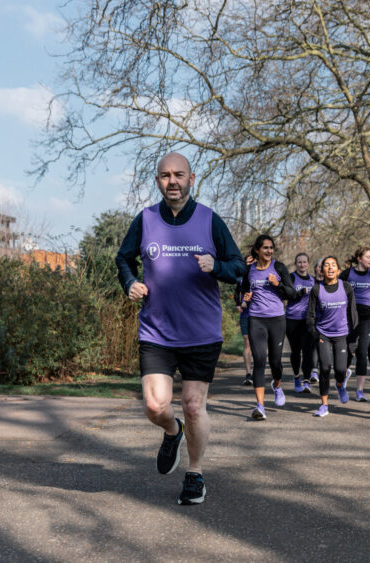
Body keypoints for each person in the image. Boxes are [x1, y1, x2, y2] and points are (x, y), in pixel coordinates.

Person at [115, 152, 244, 505]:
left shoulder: (209, 220)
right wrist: (130, 282)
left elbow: (237, 268)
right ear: (158, 181)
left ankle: (195, 473)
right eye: (165, 176)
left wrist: (215, 265)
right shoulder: (145, 220)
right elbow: (124, 258)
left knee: (191, 404)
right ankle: (172, 433)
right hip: (156, 330)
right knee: (156, 406)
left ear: (192, 178)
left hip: (201, 332)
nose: (173, 181)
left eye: (179, 175)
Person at [240, 234, 297, 420]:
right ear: (257, 250)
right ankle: (260, 406)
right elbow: (240, 293)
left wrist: (277, 284)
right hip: (256, 319)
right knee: (259, 359)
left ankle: (277, 386)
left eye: (271, 248)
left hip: (277, 319)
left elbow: (292, 293)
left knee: (275, 362)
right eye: (265, 248)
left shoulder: (278, 268)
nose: (269, 251)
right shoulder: (249, 270)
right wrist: (244, 299)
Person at [305, 256, 359, 417]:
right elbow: (310, 315)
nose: (329, 267)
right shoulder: (316, 289)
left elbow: (353, 313)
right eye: (326, 265)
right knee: (325, 368)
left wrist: (354, 339)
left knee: (341, 369)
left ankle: (340, 384)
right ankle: (324, 405)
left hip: (342, 334)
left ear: (338, 270)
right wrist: (316, 335)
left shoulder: (347, 287)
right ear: (321, 270)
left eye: (333, 265)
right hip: (324, 334)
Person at [340, 246, 370, 401]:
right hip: (349, 316)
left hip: (367, 317)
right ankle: (344, 374)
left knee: (362, 351)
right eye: (367, 257)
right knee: (346, 350)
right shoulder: (347, 274)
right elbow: (336, 289)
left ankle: (359, 391)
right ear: (359, 259)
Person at [284, 253, 315, 394]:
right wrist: (301, 292)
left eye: (304, 262)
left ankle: (307, 380)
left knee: (307, 351)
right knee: (296, 352)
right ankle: (297, 377)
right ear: (296, 264)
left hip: (307, 321)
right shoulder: (291, 278)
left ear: (308, 264)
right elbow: (287, 294)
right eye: (299, 262)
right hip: (292, 320)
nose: (302, 265)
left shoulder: (313, 280)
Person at [234, 255, 255, 386]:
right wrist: (238, 304)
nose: (249, 264)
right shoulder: (241, 278)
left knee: (258, 344)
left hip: (259, 314)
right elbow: (237, 292)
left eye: (252, 262)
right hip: (245, 314)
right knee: (247, 341)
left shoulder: (259, 276)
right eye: (247, 262)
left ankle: (258, 371)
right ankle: (248, 373)